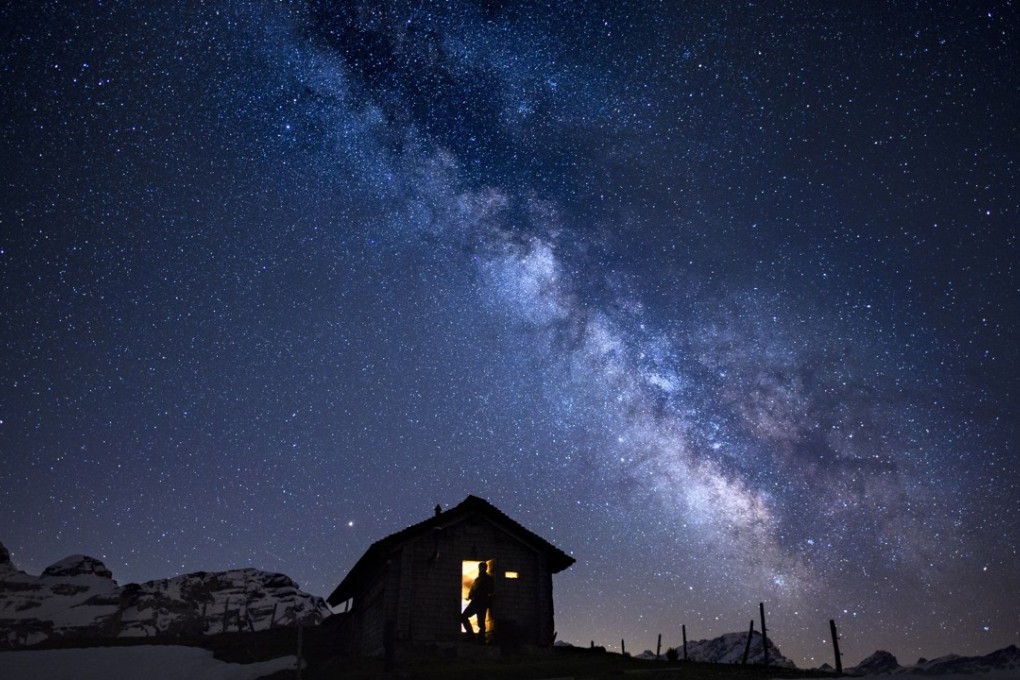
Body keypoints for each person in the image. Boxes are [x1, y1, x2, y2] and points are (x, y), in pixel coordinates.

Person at [460, 562, 494, 641]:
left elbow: (489, 591)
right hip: (477, 602)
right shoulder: (478, 579)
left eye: (480, 567)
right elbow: (473, 589)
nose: (480, 569)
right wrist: (470, 596)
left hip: (481, 602)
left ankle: (479, 638)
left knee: (480, 622)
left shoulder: (487, 579)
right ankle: (473, 636)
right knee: (465, 617)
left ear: (483, 568)